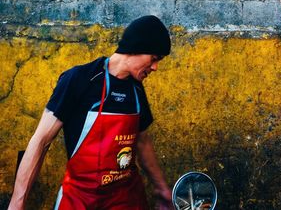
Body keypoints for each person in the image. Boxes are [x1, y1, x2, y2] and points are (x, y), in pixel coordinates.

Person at [8, 15, 173, 210]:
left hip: (125, 198)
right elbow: (41, 141)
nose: (155, 67)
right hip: (80, 198)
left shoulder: (136, 90)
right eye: (154, 59)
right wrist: (17, 203)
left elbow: (143, 141)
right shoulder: (80, 79)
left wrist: (162, 189)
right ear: (136, 47)